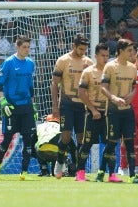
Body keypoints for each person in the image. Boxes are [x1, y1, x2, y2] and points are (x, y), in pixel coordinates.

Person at [97, 38, 138, 184]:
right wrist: (113, 98)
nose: (133, 53)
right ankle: (100, 172)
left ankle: (132, 176)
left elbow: (135, 87)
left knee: (130, 142)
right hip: (113, 110)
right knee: (112, 143)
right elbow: (103, 87)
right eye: (129, 50)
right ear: (120, 51)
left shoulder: (132, 68)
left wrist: (132, 94)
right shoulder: (110, 66)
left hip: (128, 111)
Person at [0, 35, 36, 181]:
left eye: (28, 47)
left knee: (28, 139)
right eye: (24, 47)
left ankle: (24, 173)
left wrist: (33, 105)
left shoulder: (30, 63)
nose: (27, 50)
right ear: (17, 46)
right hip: (11, 106)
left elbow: (31, 86)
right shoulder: (9, 63)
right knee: (7, 139)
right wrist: (3, 101)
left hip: (26, 106)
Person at [51, 33, 94, 178]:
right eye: (80, 49)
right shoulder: (63, 60)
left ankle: (79, 170)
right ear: (73, 46)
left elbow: (92, 85)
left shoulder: (88, 62)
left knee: (82, 138)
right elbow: (55, 84)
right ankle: (59, 162)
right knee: (66, 136)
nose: (82, 52)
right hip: (67, 104)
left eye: (84, 49)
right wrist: (55, 106)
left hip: (83, 106)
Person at [75, 43, 111, 181]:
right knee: (87, 143)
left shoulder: (112, 71)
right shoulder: (88, 72)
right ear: (95, 56)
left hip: (108, 114)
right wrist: (93, 109)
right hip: (93, 114)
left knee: (110, 144)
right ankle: (80, 173)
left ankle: (108, 173)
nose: (105, 58)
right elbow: (81, 92)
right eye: (102, 55)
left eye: (107, 55)